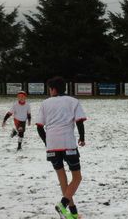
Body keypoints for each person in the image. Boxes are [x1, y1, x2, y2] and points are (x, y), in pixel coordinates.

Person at [36, 76, 86, 219]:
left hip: (52, 146)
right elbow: (79, 122)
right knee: (77, 177)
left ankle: (73, 213)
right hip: (68, 143)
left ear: (53, 89)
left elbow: (39, 127)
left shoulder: (45, 103)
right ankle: (62, 205)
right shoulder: (73, 101)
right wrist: (82, 138)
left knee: (62, 179)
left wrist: (48, 142)